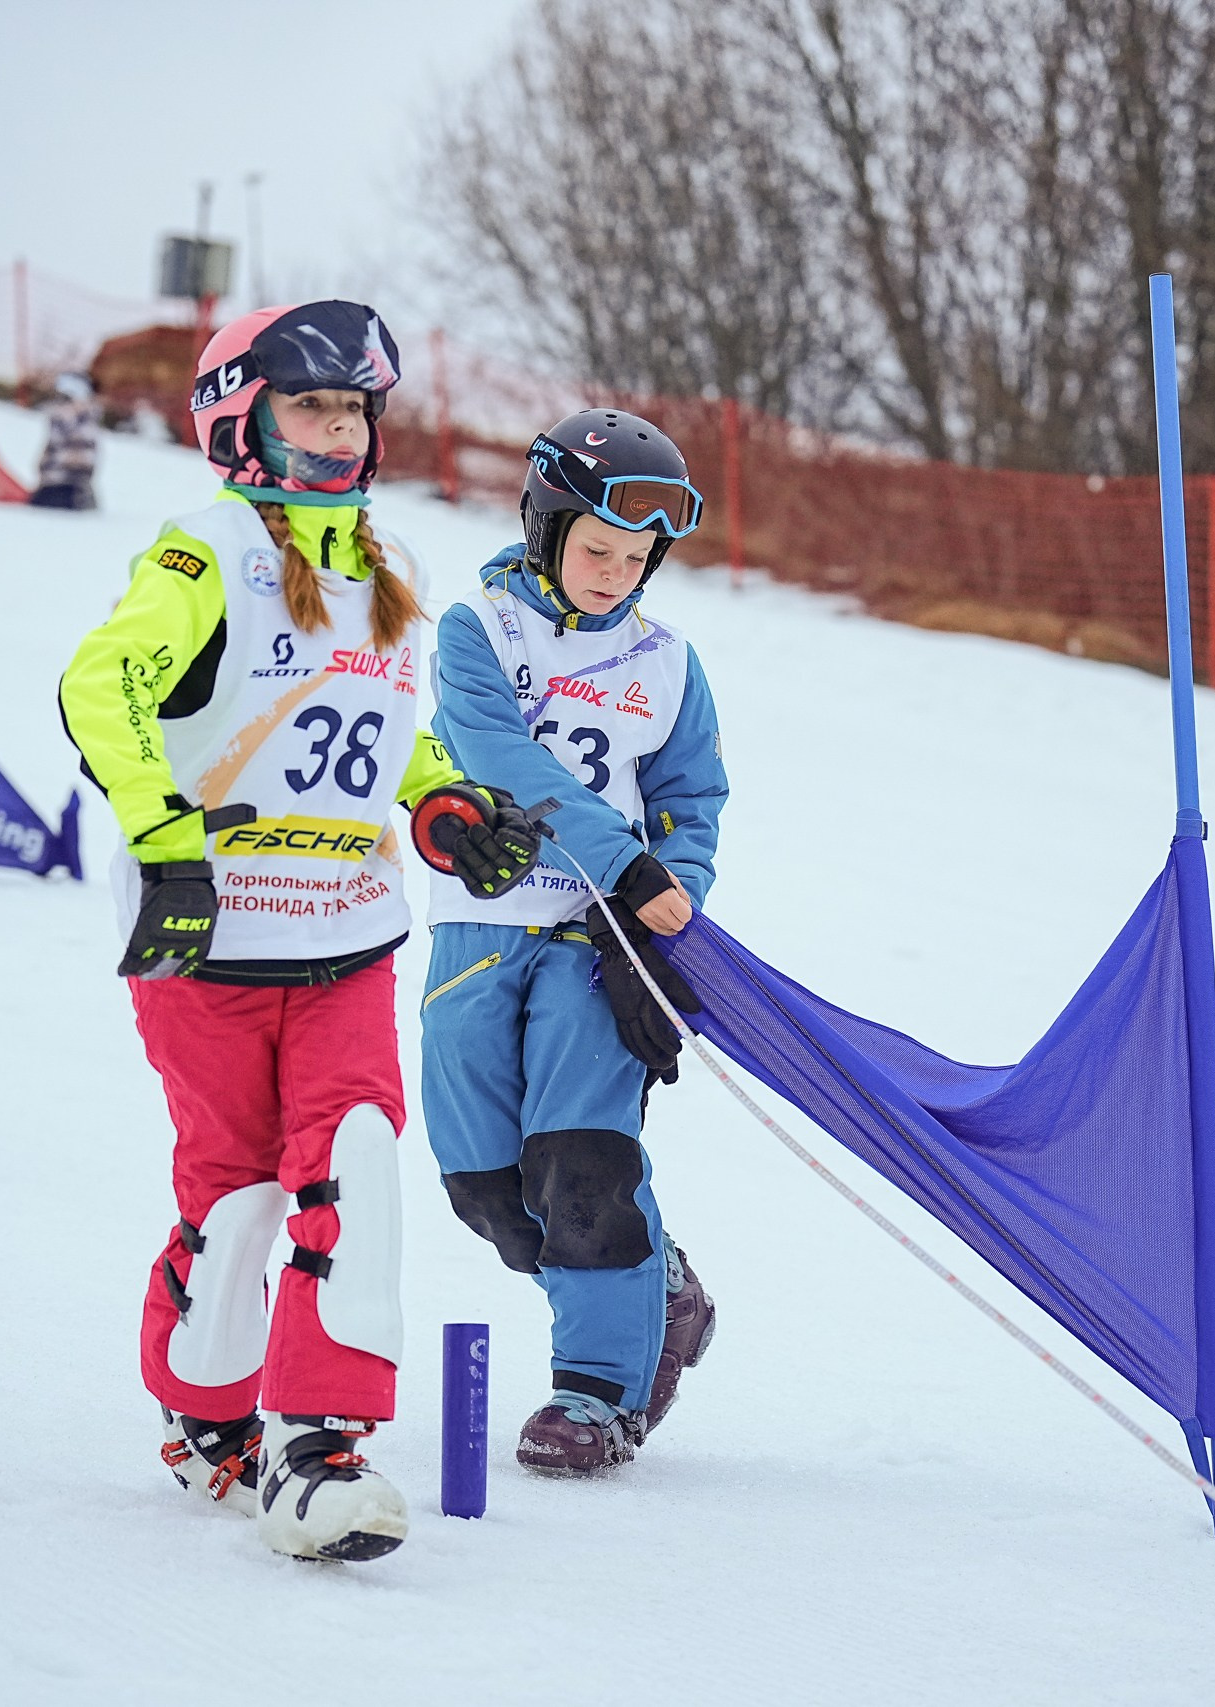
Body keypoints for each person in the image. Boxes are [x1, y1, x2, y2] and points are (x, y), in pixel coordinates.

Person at [55, 300, 543, 1562]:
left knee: (359, 1163)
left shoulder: (392, 569)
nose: (336, 430)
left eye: (351, 409)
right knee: (241, 1198)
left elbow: (393, 738)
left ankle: (317, 1443)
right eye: (308, 406)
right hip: (208, 934)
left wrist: (441, 806)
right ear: (241, 419)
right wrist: (165, 842)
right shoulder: (202, 551)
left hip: (347, 930)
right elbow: (99, 687)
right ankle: (204, 1407)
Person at [413, 408, 729, 1475]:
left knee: (581, 1163)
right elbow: (500, 759)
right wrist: (622, 860)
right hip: (483, 927)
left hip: (596, 942)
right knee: (487, 1186)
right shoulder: (478, 631)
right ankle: (658, 1286)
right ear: (547, 527)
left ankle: (596, 1393)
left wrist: (663, 900)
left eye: (638, 558)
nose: (615, 573)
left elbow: (689, 799)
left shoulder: (669, 663)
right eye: (597, 549)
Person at [30, 371, 100, 510]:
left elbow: (79, 461)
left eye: (64, 398)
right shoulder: (74, 420)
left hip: (65, 491)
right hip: (60, 487)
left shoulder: (76, 422)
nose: (59, 404)